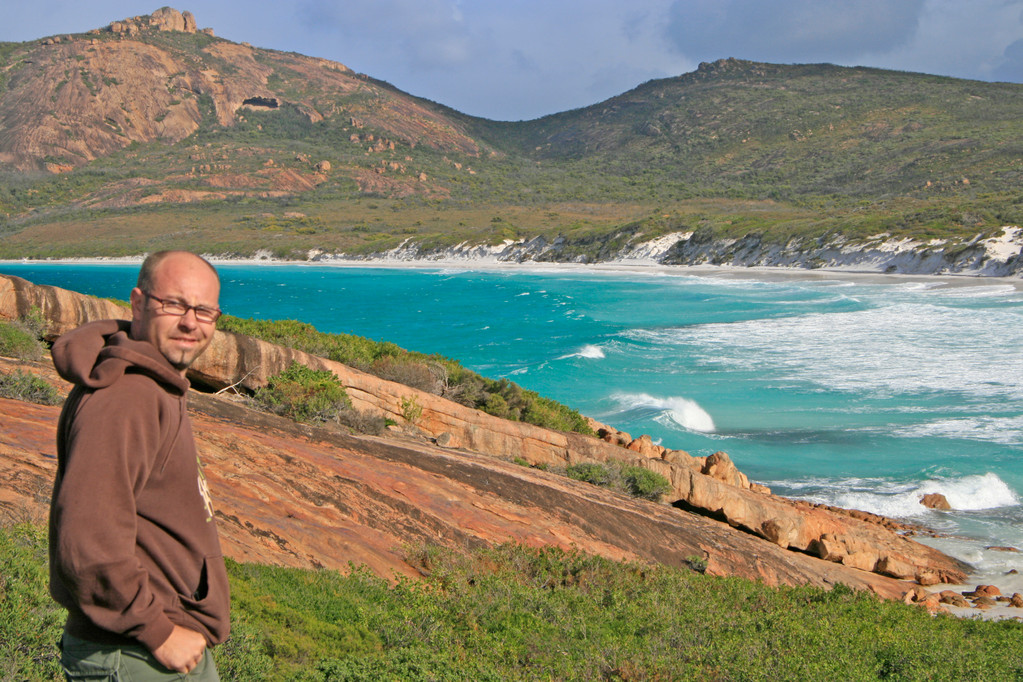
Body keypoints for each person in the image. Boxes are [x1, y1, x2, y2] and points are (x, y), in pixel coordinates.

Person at [49, 251, 230, 680]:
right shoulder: (127, 396)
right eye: (174, 304)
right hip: (136, 653)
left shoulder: (151, 384)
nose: (191, 322)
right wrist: (158, 632)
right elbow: (88, 536)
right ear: (138, 302)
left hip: (142, 648)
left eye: (204, 310)